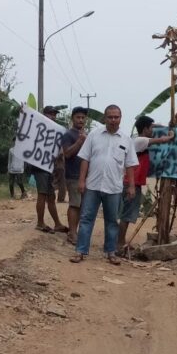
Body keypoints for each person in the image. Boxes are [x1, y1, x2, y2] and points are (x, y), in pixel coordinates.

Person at [71, 105, 138, 265]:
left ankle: (111, 253)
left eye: (116, 117)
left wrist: (131, 186)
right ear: (105, 118)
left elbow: (130, 165)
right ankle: (80, 251)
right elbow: (85, 159)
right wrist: (81, 180)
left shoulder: (126, 139)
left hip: (113, 187)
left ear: (121, 118)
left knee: (111, 221)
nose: (113, 120)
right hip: (93, 186)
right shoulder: (94, 135)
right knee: (86, 218)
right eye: (110, 117)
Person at [118, 116, 174, 249]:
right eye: (151, 128)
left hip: (129, 182)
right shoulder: (141, 140)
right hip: (131, 183)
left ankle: (119, 241)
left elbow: (155, 126)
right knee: (126, 215)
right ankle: (119, 243)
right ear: (145, 129)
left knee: (125, 214)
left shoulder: (136, 139)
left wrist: (164, 125)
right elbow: (162, 140)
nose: (153, 130)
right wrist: (171, 134)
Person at [32, 106, 68, 234]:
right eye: (50, 114)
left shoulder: (55, 131)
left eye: (54, 114)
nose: (53, 116)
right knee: (42, 194)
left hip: (49, 167)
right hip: (39, 165)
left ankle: (57, 223)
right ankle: (40, 223)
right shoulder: (37, 127)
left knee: (51, 196)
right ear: (44, 115)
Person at [60, 107, 88, 245]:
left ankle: (75, 232)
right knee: (75, 205)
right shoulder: (68, 135)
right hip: (73, 175)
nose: (81, 120)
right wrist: (79, 141)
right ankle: (72, 233)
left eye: (83, 118)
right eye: (78, 117)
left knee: (82, 206)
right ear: (72, 118)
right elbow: (67, 153)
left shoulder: (86, 135)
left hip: (85, 176)